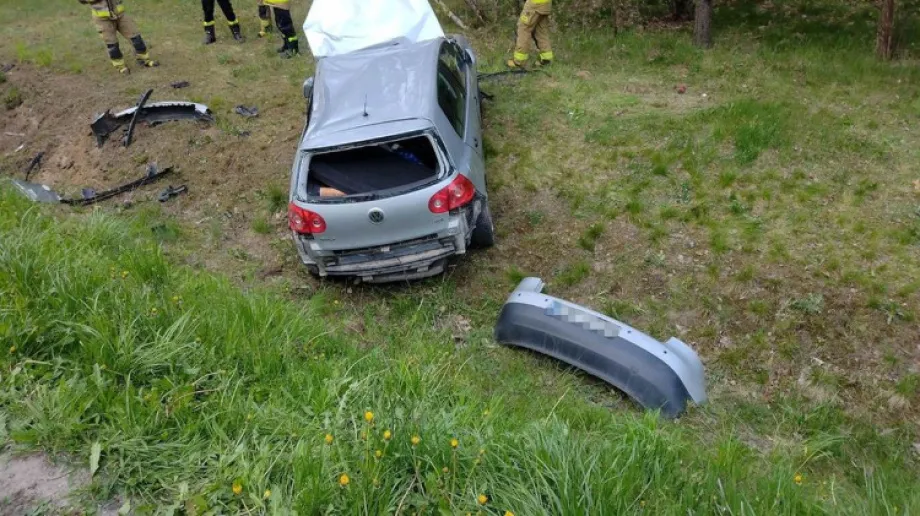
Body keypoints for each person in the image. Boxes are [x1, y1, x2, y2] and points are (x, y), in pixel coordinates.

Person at [79, 0, 158, 74]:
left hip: (121, 15)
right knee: (112, 44)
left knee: (135, 37)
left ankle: (144, 60)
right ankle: (120, 67)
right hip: (102, 20)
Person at [507, 0, 553, 69]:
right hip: (546, 3)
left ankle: (519, 62)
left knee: (524, 29)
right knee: (540, 31)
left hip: (535, 3)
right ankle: (546, 59)